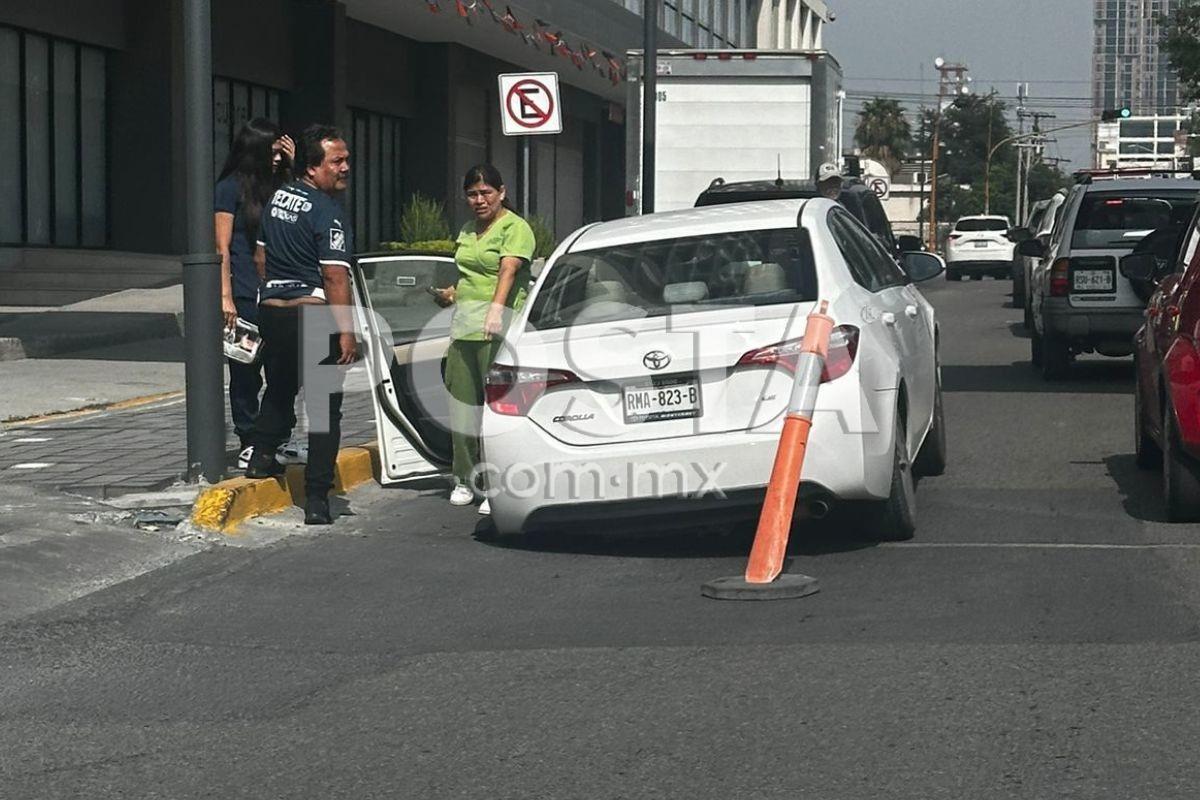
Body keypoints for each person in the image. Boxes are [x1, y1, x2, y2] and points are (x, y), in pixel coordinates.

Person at [244, 124, 356, 526]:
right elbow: (335, 277)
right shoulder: (328, 213)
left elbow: (260, 259)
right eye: (336, 161)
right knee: (325, 409)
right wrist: (346, 330)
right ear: (312, 168)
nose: (345, 167)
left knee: (279, 388)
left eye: (346, 160)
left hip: (273, 312)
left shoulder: (277, 200)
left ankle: (260, 458)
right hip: (313, 314)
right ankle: (316, 498)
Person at [433, 164, 536, 513]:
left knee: (499, 410)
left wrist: (496, 310)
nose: (479, 200)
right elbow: (469, 274)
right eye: (473, 194)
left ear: (502, 193)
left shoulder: (515, 228)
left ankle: (499, 484)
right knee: (462, 407)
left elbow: (508, 270)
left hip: (499, 329)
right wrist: (452, 292)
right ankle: (464, 478)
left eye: (486, 193)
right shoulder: (466, 230)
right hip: (465, 328)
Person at [214, 118, 294, 466]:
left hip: (279, 293)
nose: (277, 158)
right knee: (245, 371)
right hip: (244, 294)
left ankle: (276, 435)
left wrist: (293, 168)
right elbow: (221, 247)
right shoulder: (230, 189)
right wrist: (225, 296)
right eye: (273, 152)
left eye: (281, 152)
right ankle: (250, 437)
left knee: (284, 368)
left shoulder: (280, 187)